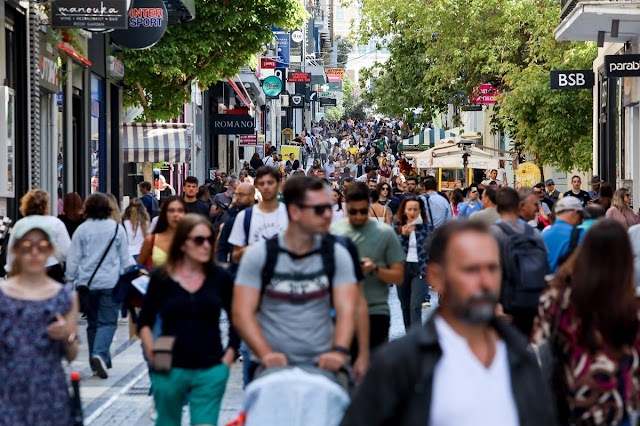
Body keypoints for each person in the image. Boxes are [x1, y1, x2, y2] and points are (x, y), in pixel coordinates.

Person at [342, 221, 555, 426]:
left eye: (492, 268)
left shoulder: (519, 354)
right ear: (436, 277)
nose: (485, 282)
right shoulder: (399, 364)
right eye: (470, 270)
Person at [233, 176, 358, 381]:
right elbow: (241, 313)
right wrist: (266, 354)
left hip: (322, 366)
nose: (328, 214)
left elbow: (347, 309)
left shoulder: (336, 255)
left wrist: (339, 351)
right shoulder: (259, 256)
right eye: (318, 209)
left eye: (328, 207)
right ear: (294, 212)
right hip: (271, 368)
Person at [533, 219, 640, 425]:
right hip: (619, 404)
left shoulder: (557, 296)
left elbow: (541, 343)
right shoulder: (631, 303)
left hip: (569, 400)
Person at [139, 214, 238, 426]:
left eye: (210, 240)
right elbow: (145, 322)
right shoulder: (162, 277)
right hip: (168, 363)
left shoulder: (220, 277)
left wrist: (227, 359)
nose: (206, 246)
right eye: (198, 240)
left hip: (210, 365)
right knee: (167, 422)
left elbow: (236, 320)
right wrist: (153, 356)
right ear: (182, 244)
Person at [0, 216, 79, 426]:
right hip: (7, 392)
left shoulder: (65, 297)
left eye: (42, 246)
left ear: (50, 251)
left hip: (49, 394)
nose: (35, 253)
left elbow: (71, 355)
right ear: (15, 250)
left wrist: (67, 336)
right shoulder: (2, 295)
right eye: (27, 246)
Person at [65, 193, 134, 379]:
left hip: (86, 285)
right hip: (110, 283)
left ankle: (96, 364)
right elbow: (125, 259)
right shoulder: (116, 229)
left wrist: (69, 279)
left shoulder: (82, 230)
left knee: (93, 324)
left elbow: (73, 258)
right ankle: (100, 354)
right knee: (108, 322)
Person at [331, 182, 404, 353]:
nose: (358, 216)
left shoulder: (385, 233)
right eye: (353, 211)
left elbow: (399, 276)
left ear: (369, 205)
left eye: (363, 211)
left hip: (376, 311)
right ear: (346, 206)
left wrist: (375, 269)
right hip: (342, 311)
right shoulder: (334, 232)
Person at [492, 187, 549, 337]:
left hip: (506, 304)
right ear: (520, 205)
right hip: (532, 301)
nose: (537, 208)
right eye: (535, 204)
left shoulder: (493, 233)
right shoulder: (534, 234)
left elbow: (491, 271)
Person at [5, 189, 71, 283]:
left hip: (26, 270)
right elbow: (66, 252)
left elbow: (12, 252)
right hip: (51, 270)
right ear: (45, 206)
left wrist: (10, 271)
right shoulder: (56, 223)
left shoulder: (20, 224)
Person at [228, 166, 289, 265]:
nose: (266, 187)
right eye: (262, 183)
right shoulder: (244, 217)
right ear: (256, 185)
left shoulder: (291, 216)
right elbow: (235, 256)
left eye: (270, 183)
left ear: (278, 184)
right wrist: (252, 249)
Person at [394, 196, 431, 328]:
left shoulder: (426, 228)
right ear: (404, 210)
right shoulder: (397, 227)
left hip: (420, 268)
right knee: (405, 304)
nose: (412, 212)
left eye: (415, 209)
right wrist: (402, 235)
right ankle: (409, 336)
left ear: (420, 210)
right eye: (409, 209)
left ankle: (416, 338)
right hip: (402, 268)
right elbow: (392, 248)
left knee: (415, 305)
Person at [138, 196, 188, 270]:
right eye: (171, 210)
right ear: (164, 214)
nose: (175, 215)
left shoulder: (194, 240)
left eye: (180, 210)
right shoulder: (151, 240)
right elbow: (139, 267)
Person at [542, 197, 588, 274]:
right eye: (581, 216)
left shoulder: (543, 234)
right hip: (570, 283)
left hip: (546, 283)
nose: (581, 220)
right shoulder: (581, 234)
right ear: (575, 212)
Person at [215, 182, 256, 268]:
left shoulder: (257, 215)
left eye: (241, 195)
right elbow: (222, 247)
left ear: (252, 196)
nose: (237, 198)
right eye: (236, 194)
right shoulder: (232, 218)